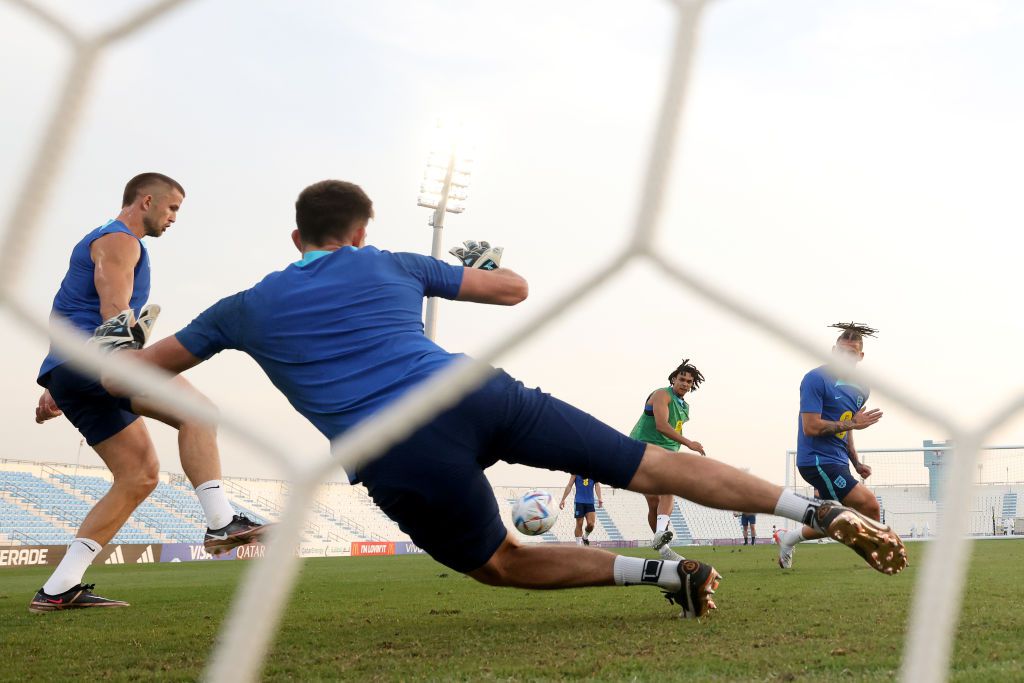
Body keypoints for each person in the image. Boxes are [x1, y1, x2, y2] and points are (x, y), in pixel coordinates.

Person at [113, 180, 907, 620]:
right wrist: (488, 257)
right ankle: (816, 513)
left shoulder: (242, 307)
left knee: (499, 561)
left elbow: (135, 373)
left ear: (296, 239)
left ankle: (667, 577)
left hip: (395, 446)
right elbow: (512, 289)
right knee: (650, 462)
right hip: (474, 392)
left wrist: (111, 347)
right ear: (361, 230)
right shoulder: (389, 261)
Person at [29, 173, 267, 613]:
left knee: (138, 475)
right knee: (198, 412)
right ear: (147, 201)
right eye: (172, 208)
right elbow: (113, 303)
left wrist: (61, 384)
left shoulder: (104, 239)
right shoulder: (121, 241)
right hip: (99, 362)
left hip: (72, 370)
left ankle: (59, 588)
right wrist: (115, 357)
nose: (174, 218)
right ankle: (220, 522)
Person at [773, 323, 886, 570]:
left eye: (852, 353)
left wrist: (855, 462)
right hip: (816, 460)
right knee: (869, 505)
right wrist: (853, 424)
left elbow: (848, 426)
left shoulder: (862, 388)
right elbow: (810, 427)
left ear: (860, 356)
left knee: (833, 521)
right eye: (842, 352)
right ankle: (876, 559)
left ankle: (788, 538)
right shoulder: (815, 379)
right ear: (834, 351)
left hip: (838, 460)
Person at [628, 359, 706, 562]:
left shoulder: (684, 406)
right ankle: (661, 534)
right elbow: (662, 425)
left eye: (689, 381)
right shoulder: (662, 394)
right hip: (643, 448)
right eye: (682, 379)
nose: (685, 384)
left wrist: (677, 450)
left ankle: (662, 547)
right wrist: (689, 443)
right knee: (663, 493)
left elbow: (674, 430)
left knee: (657, 500)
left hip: (665, 453)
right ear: (673, 379)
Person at [559, 474, 603, 545]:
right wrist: (563, 499)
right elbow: (569, 485)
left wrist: (600, 498)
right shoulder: (575, 472)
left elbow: (597, 485)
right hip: (579, 502)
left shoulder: (594, 470)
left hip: (590, 502)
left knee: (591, 524)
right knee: (579, 524)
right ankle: (578, 546)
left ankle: (585, 537)